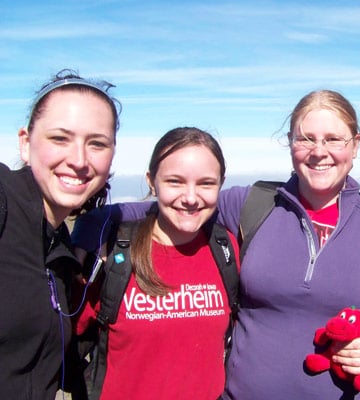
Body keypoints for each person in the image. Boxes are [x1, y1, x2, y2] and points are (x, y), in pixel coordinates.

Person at [71, 90, 360, 399]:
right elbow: (178, 204)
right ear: (290, 144)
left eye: (334, 139)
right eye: (306, 138)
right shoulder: (253, 204)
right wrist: (82, 237)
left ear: (355, 145)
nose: (319, 152)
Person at [72, 127, 239, 400]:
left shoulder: (225, 249)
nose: (190, 197)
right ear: (152, 182)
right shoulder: (110, 253)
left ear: (221, 184)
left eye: (206, 183)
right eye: (174, 181)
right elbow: (59, 338)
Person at [0, 69, 119, 400]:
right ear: (26, 143)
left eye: (96, 143)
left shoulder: (59, 252)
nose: (79, 160)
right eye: (60, 139)